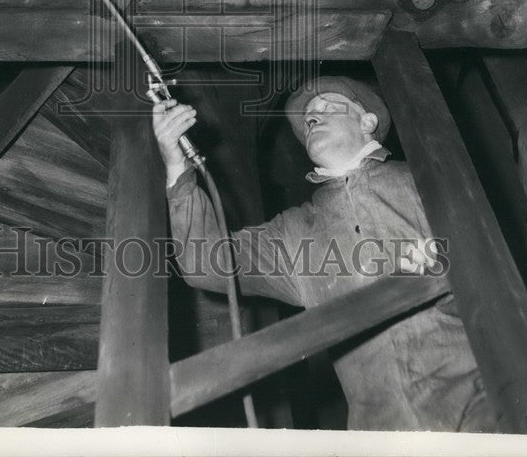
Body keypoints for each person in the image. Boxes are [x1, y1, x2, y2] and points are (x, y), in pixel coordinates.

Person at [152, 75, 497, 432]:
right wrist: (177, 167)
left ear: (367, 122)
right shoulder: (294, 232)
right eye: (308, 118)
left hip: (484, 413)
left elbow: (494, 278)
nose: (313, 118)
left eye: (328, 107)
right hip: (382, 434)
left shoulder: (426, 183)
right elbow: (203, 262)